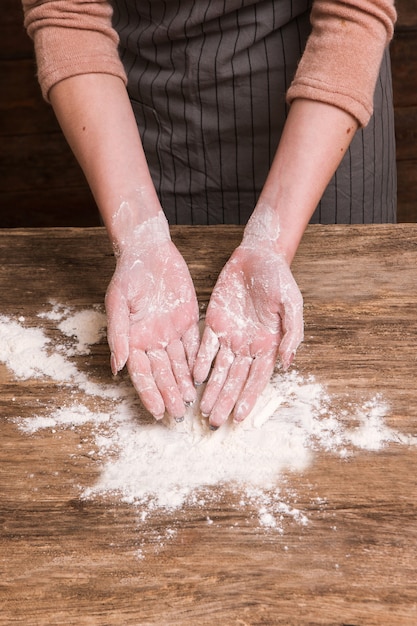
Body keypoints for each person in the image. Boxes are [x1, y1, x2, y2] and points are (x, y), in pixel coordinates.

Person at [22, 0, 397, 429]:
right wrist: (140, 234)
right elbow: (68, 14)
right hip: (153, 112)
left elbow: (354, 13)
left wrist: (271, 243)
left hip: (325, 105)